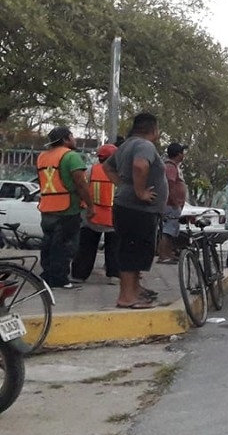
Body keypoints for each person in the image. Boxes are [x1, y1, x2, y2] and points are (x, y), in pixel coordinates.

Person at [107, 113, 168, 309]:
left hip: (129, 206)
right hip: (137, 209)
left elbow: (107, 167)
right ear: (153, 130)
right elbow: (140, 166)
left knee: (132, 250)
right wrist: (140, 191)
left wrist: (125, 185)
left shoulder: (126, 145)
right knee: (131, 251)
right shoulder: (144, 145)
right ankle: (127, 297)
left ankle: (134, 292)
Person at [36, 127, 91, 290]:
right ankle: (60, 280)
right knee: (65, 245)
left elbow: (41, 182)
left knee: (48, 243)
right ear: (66, 139)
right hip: (67, 208)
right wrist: (90, 205)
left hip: (47, 207)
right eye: (72, 136)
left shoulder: (42, 157)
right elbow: (81, 184)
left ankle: (46, 276)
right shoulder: (71, 156)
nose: (74, 140)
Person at [72, 143, 119, 283]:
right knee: (114, 248)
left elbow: (81, 189)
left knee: (86, 247)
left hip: (92, 216)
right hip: (114, 217)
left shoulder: (90, 171)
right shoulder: (121, 173)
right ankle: (114, 275)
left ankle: (79, 275)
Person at [155, 143, 187, 264]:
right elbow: (170, 185)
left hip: (172, 204)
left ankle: (168, 253)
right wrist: (174, 202)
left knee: (171, 230)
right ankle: (163, 255)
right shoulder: (170, 167)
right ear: (178, 154)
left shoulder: (173, 166)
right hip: (170, 204)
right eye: (182, 153)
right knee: (168, 231)